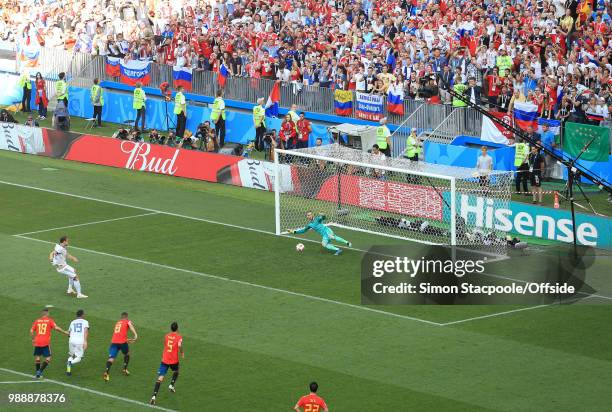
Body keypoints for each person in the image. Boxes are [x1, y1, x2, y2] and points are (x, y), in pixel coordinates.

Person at [149, 322, 184, 406]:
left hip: (165, 359)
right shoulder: (179, 337)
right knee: (177, 370)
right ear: (177, 328)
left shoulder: (166, 336)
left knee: (160, 377)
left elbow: (165, 345)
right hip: (173, 360)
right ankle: (171, 385)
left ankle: (154, 396)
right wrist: (182, 352)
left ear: (171, 328)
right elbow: (179, 345)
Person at [30, 307, 69, 379]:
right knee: (48, 357)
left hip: (37, 341)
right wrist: (65, 332)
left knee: (38, 356)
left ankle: (37, 372)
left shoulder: (37, 321)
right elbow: (56, 328)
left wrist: (33, 339)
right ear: (47, 313)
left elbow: (31, 331)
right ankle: (40, 371)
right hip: (45, 342)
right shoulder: (49, 320)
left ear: (42, 313)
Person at [103, 312, 138, 382]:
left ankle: (106, 372)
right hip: (122, 342)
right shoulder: (127, 321)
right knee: (127, 354)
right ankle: (124, 369)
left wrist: (127, 340)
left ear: (121, 317)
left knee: (111, 358)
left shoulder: (117, 323)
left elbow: (118, 334)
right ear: (126, 317)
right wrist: (135, 335)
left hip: (114, 342)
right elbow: (130, 326)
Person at [66, 309, 89, 376]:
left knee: (71, 355)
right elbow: (86, 331)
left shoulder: (72, 322)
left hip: (71, 340)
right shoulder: (85, 322)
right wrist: (85, 341)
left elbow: (68, 333)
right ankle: (70, 363)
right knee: (79, 357)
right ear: (82, 315)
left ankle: (68, 368)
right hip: (79, 341)